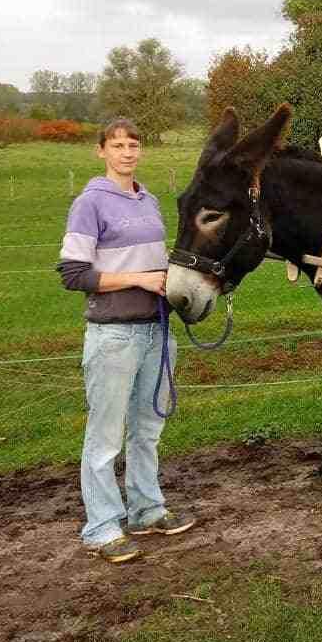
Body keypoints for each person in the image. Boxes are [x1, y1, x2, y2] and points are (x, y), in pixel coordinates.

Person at [57, 119, 196, 563]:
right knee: (105, 438)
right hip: (113, 334)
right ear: (101, 151)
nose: (126, 152)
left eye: (133, 144)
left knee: (147, 431)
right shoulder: (89, 203)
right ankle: (100, 528)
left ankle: (146, 510)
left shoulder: (150, 200)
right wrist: (139, 278)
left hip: (157, 330)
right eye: (117, 145)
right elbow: (74, 274)